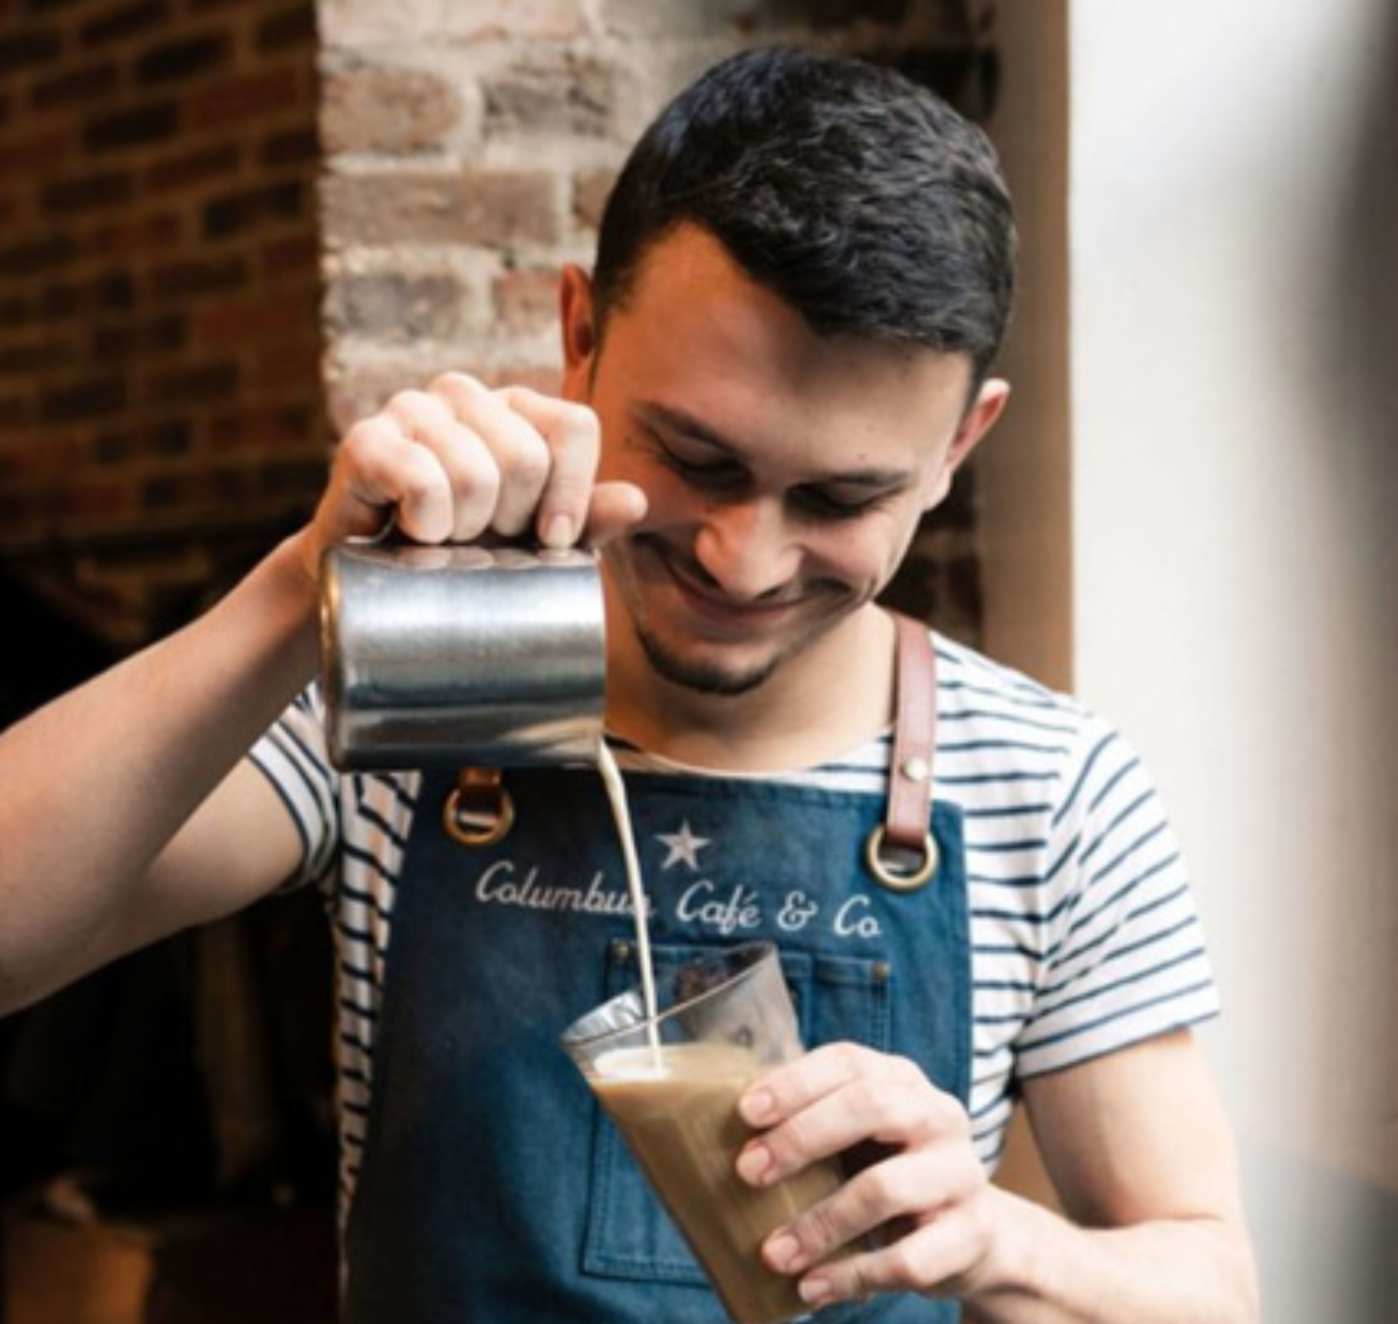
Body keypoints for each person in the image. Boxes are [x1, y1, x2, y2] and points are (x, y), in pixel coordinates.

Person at [0, 46, 1257, 1324]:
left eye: (842, 497)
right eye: (697, 457)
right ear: (583, 338)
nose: (742, 555)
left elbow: (1214, 1289)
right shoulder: (421, 697)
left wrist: (996, 1239)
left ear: (958, 447)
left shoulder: (1049, 786)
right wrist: (301, 588)